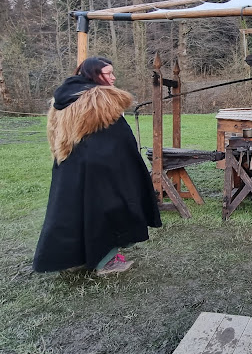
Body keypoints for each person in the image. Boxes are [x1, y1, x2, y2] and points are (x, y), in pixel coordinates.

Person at [33, 57, 161, 275]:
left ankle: (75, 258)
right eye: (107, 73)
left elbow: (59, 135)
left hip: (70, 166)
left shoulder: (63, 98)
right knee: (105, 210)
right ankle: (105, 260)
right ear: (94, 75)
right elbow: (113, 139)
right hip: (100, 169)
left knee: (72, 211)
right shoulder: (99, 100)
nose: (113, 77)